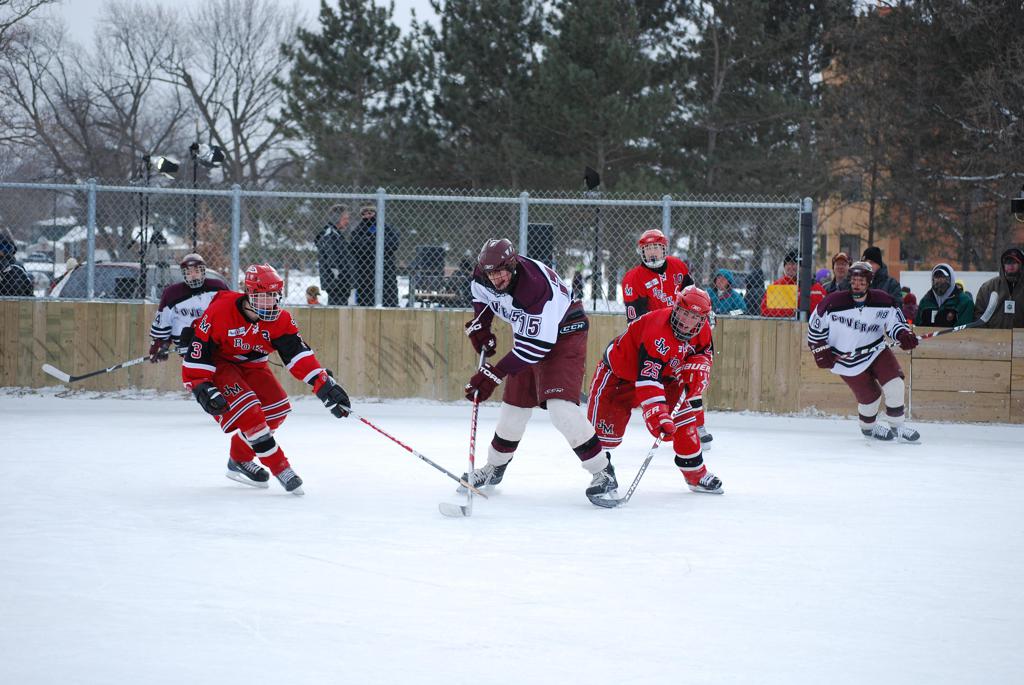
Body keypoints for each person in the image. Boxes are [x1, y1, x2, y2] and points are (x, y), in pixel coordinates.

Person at [460, 238, 613, 506]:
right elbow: (481, 298)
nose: (495, 279)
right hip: (530, 335)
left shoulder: (534, 288)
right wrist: (481, 326)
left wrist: (493, 375)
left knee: (560, 409)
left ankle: (603, 471)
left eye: (501, 272)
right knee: (514, 407)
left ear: (513, 266)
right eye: (490, 273)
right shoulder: (484, 274)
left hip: (566, 332)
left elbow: (537, 347)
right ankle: (494, 467)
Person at [182, 264, 352, 495]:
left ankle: (239, 459)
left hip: (254, 365)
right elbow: (198, 351)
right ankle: (281, 468)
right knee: (250, 412)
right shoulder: (220, 310)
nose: (268, 302)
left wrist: (322, 383)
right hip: (221, 364)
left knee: (277, 409)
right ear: (248, 294)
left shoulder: (281, 320)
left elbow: (297, 354)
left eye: (273, 296)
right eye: (262, 296)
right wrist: (201, 385)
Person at [588, 285, 724, 498]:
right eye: (685, 313)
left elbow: (703, 352)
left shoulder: (704, 329)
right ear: (676, 307)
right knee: (603, 436)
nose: (687, 321)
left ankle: (696, 475)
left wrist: (699, 367)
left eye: (694, 317)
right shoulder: (657, 330)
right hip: (618, 376)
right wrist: (658, 414)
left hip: (665, 377)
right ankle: (603, 475)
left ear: (702, 319)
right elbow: (648, 379)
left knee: (685, 422)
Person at [807, 260, 920, 442]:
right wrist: (820, 350)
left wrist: (903, 334)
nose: (857, 285)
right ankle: (869, 428)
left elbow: (895, 323)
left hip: (876, 350)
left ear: (869, 282)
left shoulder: (883, 301)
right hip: (846, 360)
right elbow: (814, 329)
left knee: (895, 384)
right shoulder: (832, 303)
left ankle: (898, 427)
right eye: (854, 281)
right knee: (871, 397)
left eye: (861, 281)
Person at [621, 229, 714, 446]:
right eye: (648, 248)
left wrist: (703, 314)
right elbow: (636, 322)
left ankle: (699, 426)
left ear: (664, 249)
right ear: (641, 252)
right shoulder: (633, 279)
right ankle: (667, 423)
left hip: (686, 330)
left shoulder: (678, 266)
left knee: (692, 375)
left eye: (656, 247)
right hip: (658, 338)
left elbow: (693, 296)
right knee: (663, 383)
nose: (652, 252)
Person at [147, 253, 229, 363]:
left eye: (197, 271)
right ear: (184, 274)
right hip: (187, 348)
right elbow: (164, 323)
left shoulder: (218, 288)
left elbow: (229, 314)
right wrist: (161, 346)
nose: (193, 275)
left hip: (214, 345)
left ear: (203, 271)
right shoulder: (172, 294)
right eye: (189, 272)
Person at [350, 205, 400, 307]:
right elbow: (359, 247)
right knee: (366, 301)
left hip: (386, 271)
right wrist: (378, 241)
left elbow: (393, 244)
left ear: (376, 214)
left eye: (370, 213)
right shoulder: (357, 231)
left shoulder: (386, 228)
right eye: (364, 214)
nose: (367, 216)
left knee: (389, 300)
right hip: (365, 272)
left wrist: (370, 242)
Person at [761, 250, 825, 317]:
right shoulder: (777, 285)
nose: (790, 267)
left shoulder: (815, 287)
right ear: (784, 266)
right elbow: (765, 310)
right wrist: (792, 312)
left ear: (802, 267)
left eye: (794, 264)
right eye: (788, 264)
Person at [975, 247, 1024, 328]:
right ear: (1003, 265)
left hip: (1021, 335)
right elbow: (978, 314)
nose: (1010, 265)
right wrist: (985, 334)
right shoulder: (988, 287)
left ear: (1021, 265)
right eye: (1007, 262)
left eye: (1015, 262)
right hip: (993, 335)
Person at [314, 204, 352, 306]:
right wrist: (339, 275)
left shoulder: (336, 233)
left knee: (340, 307)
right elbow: (332, 259)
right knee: (337, 307)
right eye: (345, 218)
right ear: (337, 218)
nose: (347, 221)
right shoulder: (330, 234)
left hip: (341, 281)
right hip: (337, 281)